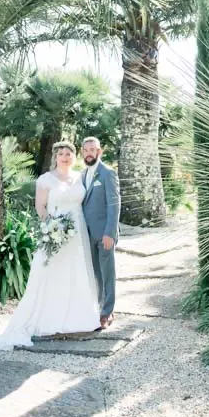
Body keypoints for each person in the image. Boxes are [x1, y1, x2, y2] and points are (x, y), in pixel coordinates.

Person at [0, 140, 99, 351]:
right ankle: (51, 318)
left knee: (78, 271)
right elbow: (40, 206)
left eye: (69, 154)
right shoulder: (45, 180)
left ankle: (79, 317)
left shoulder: (80, 177)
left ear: (74, 157)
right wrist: (51, 229)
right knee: (53, 273)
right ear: (55, 157)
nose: (65, 157)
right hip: (55, 232)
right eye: (61, 154)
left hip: (78, 232)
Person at [81, 137, 120, 329]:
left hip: (104, 234)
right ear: (82, 152)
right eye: (86, 149)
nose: (89, 153)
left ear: (99, 152)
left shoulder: (107, 173)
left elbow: (114, 205)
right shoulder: (83, 174)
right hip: (87, 234)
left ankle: (107, 312)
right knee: (95, 273)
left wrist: (110, 233)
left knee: (107, 273)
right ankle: (98, 307)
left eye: (93, 149)